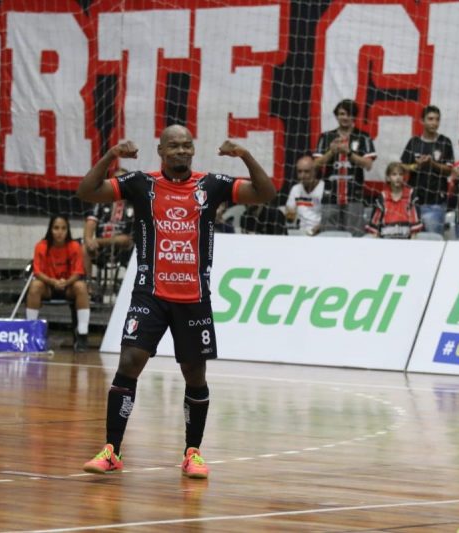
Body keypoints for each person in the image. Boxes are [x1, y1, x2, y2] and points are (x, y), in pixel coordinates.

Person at [76, 125, 276, 478]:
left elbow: (266, 192)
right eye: (174, 146)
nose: (181, 151)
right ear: (161, 150)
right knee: (130, 360)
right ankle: (111, 450)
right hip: (150, 293)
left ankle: (192, 453)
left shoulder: (211, 185)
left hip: (194, 297)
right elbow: (87, 191)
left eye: (187, 145)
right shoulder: (141, 183)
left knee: (194, 374)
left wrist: (244, 155)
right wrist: (111, 156)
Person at [26, 214, 91, 352]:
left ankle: (82, 335)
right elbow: (37, 272)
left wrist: (65, 282)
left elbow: (79, 272)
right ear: (50, 229)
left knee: (81, 286)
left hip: (68, 287)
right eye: (56, 228)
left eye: (63, 228)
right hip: (48, 287)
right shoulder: (41, 246)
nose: (59, 232)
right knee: (35, 286)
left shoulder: (74, 246)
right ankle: (30, 331)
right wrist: (52, 281)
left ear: (68, 230)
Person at [314, 99, 376, 234]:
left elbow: (368, 164)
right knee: (329, 237)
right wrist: (332, 151)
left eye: (349, 114)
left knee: (355, 238)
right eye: (342, 114)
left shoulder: (363, 137)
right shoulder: (326, 137)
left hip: (355, 195)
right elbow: (316, 164)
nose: (345, 117)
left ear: (354, 116)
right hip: (330, 196)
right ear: (336, 116)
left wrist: (348, 153)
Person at [401, 105, 454, 235]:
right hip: (414, 202)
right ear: (422, 121)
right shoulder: (414, 142)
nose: (434, 123)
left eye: (437, 119)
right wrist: (416, 166)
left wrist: (432, 163)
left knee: (434, 241)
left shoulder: (444, 142)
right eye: (430, 119)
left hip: (436, 202)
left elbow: (449, 170)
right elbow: (403, 166)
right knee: (413, 241)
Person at [82, 168, 135, 291]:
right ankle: (87, 288)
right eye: (115, 180)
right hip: (100, 249)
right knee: (84, 247)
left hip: (124, 250)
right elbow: (90, 223)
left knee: (127, 242)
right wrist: (89, 240)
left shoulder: (134, 204)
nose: (119, 183)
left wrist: (98, 241)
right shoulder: (100, 202)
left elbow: (126, 239)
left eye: (123, 180)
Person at [365, 162, 423, 239]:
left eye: (400, 174)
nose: (398, 177)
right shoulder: (382, 197)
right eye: (394, 174)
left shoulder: (410, 195)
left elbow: (414, 231)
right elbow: (375, 230)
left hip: (406, 243)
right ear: (388, 178)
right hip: (385, 242)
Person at [285, 154, 325, 235]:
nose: (302, 176)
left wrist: (316, 230)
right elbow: (290, 217)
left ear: (314, 172)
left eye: (306, 172)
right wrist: (289, 213)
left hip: (322, 233)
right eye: (299, 172)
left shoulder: (324, 188)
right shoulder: (295, 189)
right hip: (300, 232)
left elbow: (330, 219)